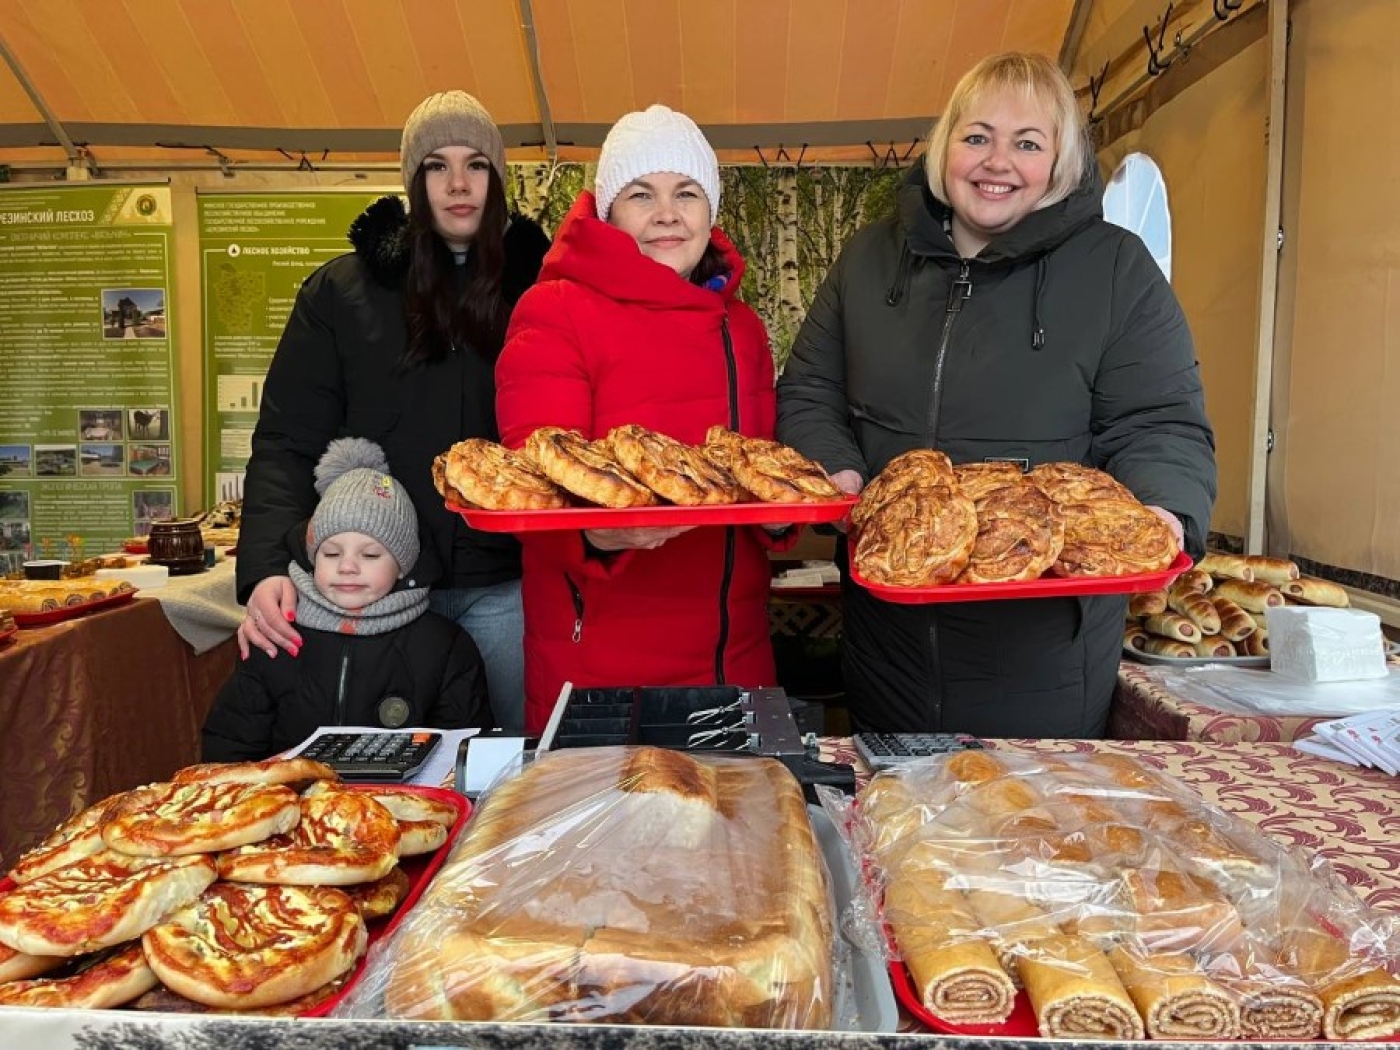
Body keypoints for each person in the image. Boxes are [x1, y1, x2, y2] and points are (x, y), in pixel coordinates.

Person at [776, 52, 1216, 738]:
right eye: (976, 136)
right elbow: (811, 387)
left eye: (1027, 143)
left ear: (1061, 162)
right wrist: (837, 470)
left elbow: (1158, 420)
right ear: (946, 144)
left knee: (1029, 831)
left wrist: (1162, 507)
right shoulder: (869, 260)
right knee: (897, 827)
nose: (996, 161)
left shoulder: (1115, 271)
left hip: (1044, 656)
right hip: (887, 640)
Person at [236, 90, 549, 734]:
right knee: (387, 784)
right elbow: (287, 440)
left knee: (510, 771)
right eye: (437, 166)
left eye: (477, 165)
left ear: (498, 178)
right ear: (413, 181)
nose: (458, 184)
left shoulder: (543, 293)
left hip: (510, 588)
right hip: (382, 594)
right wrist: (267, 565)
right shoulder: (341, 294)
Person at [496, 104, 795, 734]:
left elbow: (757, 463)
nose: (667, 213)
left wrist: (781, 515)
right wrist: (591, 535)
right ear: (608, 211)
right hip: (602, 658)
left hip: (733, 653)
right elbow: (531, 474)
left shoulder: (740, 327)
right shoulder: (554, 309)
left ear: (710, 211)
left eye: (686, 193)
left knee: (734, 827)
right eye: (642, 194)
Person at [204, 438, 491, 761]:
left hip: (405, 804)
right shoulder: (277, 637)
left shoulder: (443, 647)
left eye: (370, 554)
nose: (347, 566)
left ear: (403, 565)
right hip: (291, 802)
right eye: (331, 552)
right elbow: (229, 745)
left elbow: (465, 752)